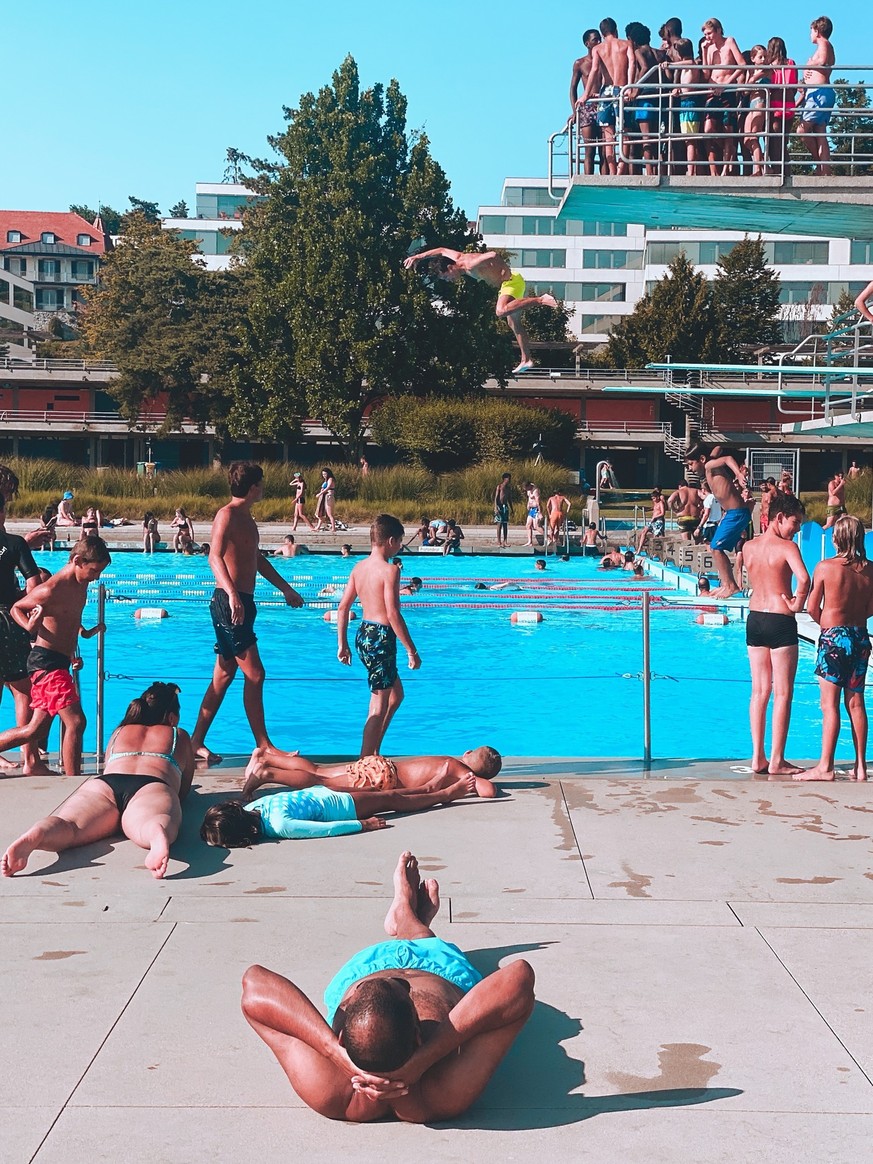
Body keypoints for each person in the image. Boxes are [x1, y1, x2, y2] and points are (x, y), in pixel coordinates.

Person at [240, 850, 535, 1123]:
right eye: (404, 990)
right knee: (422, 937)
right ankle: (408, 916)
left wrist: (331, 1052)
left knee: (415, 933)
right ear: (418, 1036)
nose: (400, 980)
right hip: (443, 970)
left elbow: (254, 984)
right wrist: (426, 1058)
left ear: (342, 1035)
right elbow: (519, 979)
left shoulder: (329, 1090)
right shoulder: (439, 1093)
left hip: (365, 967)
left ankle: (406, 915)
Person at [2, 682, 194, 880]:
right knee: (153, 821)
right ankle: (156, 835)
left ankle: (40, 832)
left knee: (70, 825)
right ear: (172, 717)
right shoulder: (178, 735)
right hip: (152, 786)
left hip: (105, 784)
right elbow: (184, 790)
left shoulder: (120, 731)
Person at [190, 463, 304, 765]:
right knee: (255, 673)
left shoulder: (247, 519)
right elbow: (213, 557)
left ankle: (194, 742)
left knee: (225, 674)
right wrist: (230, 594)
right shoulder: (226, 515)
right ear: (254, 486)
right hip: (229, 602)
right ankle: (263, 745)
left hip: (242, 601)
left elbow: (257, 561)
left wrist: (286, 589)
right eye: (262, 484)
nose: (263, 488)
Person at [0, 535, 109, 777]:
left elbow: (68, 619)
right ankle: (73, 783)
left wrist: (84, 636)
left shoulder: (82, 582)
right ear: (78, 561)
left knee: (34, 730)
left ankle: (64, 777)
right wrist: (29, 625)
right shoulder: (51, 589)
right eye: (94, 571)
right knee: (76, 722)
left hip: (59, 661)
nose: (96, 577)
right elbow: (18, 607)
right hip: (46, 663)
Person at [794, 516, 873, 782]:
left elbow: (812, 607)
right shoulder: (870, 570)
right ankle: (860, 766)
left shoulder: (826, 567)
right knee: (856, 702)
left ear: (837, 538)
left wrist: (829, 625)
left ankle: (825, 766)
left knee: (830, 705)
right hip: (860, 637)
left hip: (833, 638)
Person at [201, 773, 478, 848]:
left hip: (334, 799)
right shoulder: (270, 818)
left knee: (387, 794)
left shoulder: (264, 815)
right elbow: (324, 830)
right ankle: (445, 794)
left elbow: (326, 828)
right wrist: (364, 824)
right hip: (338, 805)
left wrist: (362, 825)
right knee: (392, 799)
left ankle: (430, 789)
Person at [337, 514, 420, 757]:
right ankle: (365, 761)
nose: (401, 547)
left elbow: (343, 608)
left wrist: (342, 644)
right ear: (391, 541)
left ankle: (374, 750)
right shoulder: (390, 571)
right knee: (378, 703)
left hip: (363, 635)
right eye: (400, 542)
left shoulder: (358, 567)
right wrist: (411, 651)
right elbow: (393, 614)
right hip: (381, 638)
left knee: (396, 695)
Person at [741, 492, 810, 778]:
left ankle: (758, 756)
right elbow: (805, 579)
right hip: (781, 620)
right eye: (794, 523)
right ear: (779, 518)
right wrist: (797, 603)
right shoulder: (787, 548)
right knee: (782, 692)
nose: (796, 530)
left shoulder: (748, 547)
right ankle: (777, 760)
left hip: (755, 618)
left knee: (759, 691)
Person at [403, 249, 558, 375]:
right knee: (514, 322)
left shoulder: (469, 265)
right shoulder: (456, 257)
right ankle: (526, 360)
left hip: (510, 282)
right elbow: (441, 250)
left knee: (501, 311)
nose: (448, 280)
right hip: (506, 285)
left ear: (450, 268)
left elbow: (493, 255)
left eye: (446, 277)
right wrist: (418, 257)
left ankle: (540, 299)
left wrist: (503, 269)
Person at [242, 744, 501, 802]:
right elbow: (489, 791)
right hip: (383, 778)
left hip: (381, 766)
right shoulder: (458, 771)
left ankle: (266, 757)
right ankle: (267, 774)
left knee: (320, 772)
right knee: (320, 782)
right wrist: (476, 779)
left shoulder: (449, 760)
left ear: (467, 752)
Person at [0, 493, 47, 774]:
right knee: (23, 692)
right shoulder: (14, 543)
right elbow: (33, 586)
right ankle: (30, 760)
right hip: (7, 620)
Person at [685, 445, 749, 597]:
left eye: (691, 464)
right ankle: (727, 585)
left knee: (716, 548)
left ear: (701, 459)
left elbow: (727, 459)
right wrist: (718, 447)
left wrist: (739, 474)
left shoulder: (709, 465)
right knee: (715, 548)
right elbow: (718, 449)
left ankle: (731, 586)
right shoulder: (710, 463)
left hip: (736, 513)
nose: (690, 469)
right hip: (732, 514)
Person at [579, 18, 637, 176]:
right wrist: (630, 87)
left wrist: (585, 94)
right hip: (622, 88)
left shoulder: (598, 48)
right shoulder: (626, 44)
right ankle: (620, 170)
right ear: (615, 30)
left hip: (606, 92)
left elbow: (594, 70)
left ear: (602, 33)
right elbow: (632, 63)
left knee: (608, 134)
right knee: (624, 131)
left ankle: (612, 172)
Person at [699, 18, 745, 176]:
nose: (708, 37)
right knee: (708, 129)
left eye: (710, 33)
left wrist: (727, 84)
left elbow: (742, 65)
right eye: (705, 34)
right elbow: (706, 73)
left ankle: (726, 168)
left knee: (727, 130)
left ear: (718, 30)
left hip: (727, 90)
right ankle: (725, 155)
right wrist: (705, 51)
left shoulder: (729, 41)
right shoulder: (710, 48)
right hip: (712, 91)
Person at [797, 16, 835, 175]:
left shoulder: (824, 44)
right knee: (820, 132)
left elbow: (823, 61)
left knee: (801, 130)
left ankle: (820, 163)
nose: (810, 34)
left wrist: (809, 63)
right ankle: (823, 169)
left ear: (817, 31)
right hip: (817, 92)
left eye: (811, 31)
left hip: (819, 93)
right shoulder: (823, 46)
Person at [625, 23, 660, 175]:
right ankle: (658, 168)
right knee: (657, 137)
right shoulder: (660, 53)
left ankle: (650, 171)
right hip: (659, 95)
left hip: (645, 96)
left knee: (646, 137)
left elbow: (645, 66)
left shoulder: (639, 51)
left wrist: (635, 88)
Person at [570, 28, 604, 175]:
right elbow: (572, 88)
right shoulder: (580, 63)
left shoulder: (605, 60)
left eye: (599, 39)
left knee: (605, 149)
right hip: (587, 106)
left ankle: (606, 181)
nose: (598, 42)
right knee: (589, 150)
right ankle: (588, 181)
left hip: (604, 104)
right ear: (587, 43)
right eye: (595, 40)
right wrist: (575, 112)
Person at [668, 38, 705, 173]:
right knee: (687, 139)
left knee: (690, 140)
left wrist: (671, 64)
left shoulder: (690, 64)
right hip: (684, 102)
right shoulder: (685, 66)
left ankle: (690, 169)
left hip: (690, 103)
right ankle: (691, 168)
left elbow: (690, 62)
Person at [766, 38, 798, 174]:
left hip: (774, 105)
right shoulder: (791, 63)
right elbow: (794, 86)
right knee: (783, 141)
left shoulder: (769, 66)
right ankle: (785, 170)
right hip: (789, 104)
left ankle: (779, 170)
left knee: (774, 141)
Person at [743, 45, 771, 176]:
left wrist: (751, 80)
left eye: (765, 56)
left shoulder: (766, 70)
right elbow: (745, 90)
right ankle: (764, 163)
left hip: (760, 102)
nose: (763, 59)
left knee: (754, 136)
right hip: (751, 104)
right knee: (746, 139)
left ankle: (758, 169)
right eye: (760, 57)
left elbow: (752, 81)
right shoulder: (751, 70)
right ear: (753, 58)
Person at [314, 468, 337, 533]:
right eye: (323, 474)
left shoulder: (330, 479)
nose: (324, 475)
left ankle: (333, 528)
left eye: (325, 474)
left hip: (328, 497)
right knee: (321, 513)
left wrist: (320, 493)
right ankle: (318, 527)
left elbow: (328, 487)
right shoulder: (325, 480)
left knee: (330, 514)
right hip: (324, 497)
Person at [493, 474, 512, 548]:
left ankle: (505, 541)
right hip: (499, 506)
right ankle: (498, 541)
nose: (509, 480)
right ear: (504, 479)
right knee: (499, 524)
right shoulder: (500, 487)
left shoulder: (508, 488)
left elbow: (509, 499)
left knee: (505, 524)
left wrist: (512, 508)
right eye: (508, 478)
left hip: (505, 507)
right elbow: (496, 498)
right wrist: (496, 507)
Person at [524, 482, 543, 547]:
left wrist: (540, 512)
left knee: (536, 526)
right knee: (528, 525)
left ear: (529, 486)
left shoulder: (535, 491)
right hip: (531, 510)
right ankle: (530, 542)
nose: (526, 490)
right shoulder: (528, 490)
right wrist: (528, 504)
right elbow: (529, 498)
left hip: (536, 509)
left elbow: (538, 502)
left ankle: (548, 537)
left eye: (527, 488)